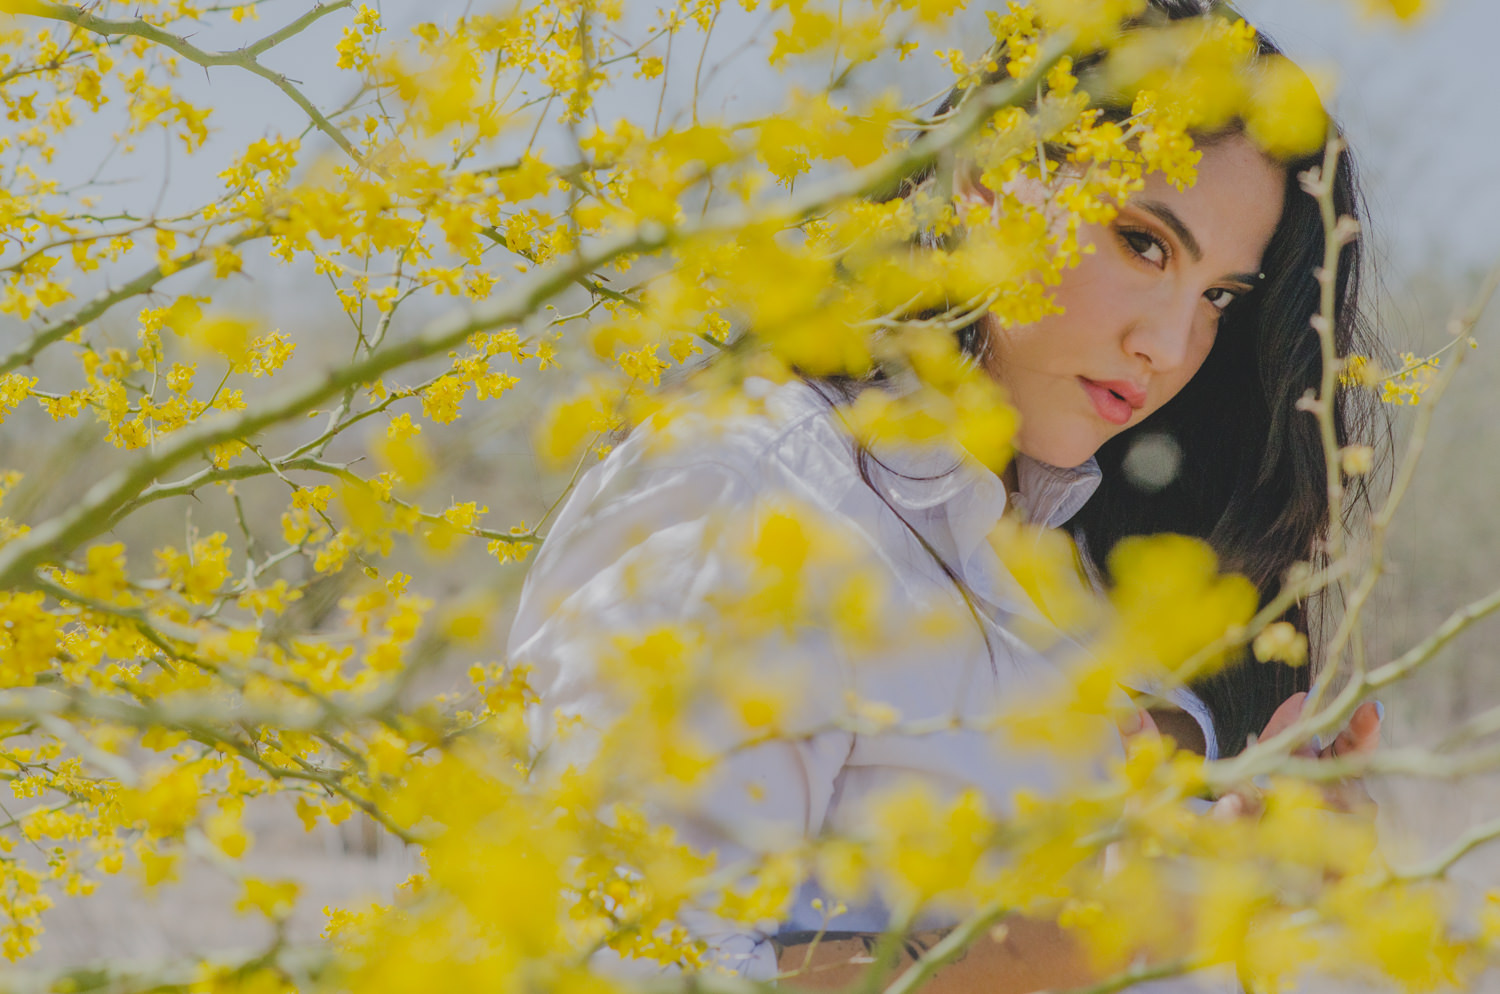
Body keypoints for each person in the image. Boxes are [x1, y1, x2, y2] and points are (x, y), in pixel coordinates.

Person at [508, 1, 1387, 990]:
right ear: (991, 178)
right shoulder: (750, 495)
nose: (1170, 346)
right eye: (1143, 243)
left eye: (1221, 298)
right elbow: (613, 964)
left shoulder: (1078, 561)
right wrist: (1111, 936)